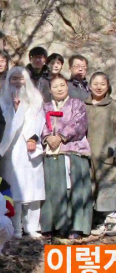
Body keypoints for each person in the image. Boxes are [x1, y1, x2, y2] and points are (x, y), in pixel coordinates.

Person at [41, 74, 93, 239]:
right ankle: (58, 225)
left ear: (67, 86)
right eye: (55, 86)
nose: (59, 89)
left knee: (77, 189)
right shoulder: (45, 107)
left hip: (74, 150)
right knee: (54, 189)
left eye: (62, 85)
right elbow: (40, 124)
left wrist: (61, 136)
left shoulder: (77, 104)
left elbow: (79, 124)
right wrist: (48, 137)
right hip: (52, 152)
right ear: (50, 90)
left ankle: (77, 227)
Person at [0, 67, 46, 239]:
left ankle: (32, 226)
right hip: (10, 149)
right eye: (14, 79)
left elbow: (39, 121)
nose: (17, 82)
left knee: (33, 190)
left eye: (21, 78)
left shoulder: (36, 99)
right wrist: (15, 109)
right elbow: (3, 122)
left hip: (30, 148)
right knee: (14, 190)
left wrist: (33, 138)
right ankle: (16, 227)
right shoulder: (2, 100)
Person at [84, 72, 116, 236]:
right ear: (89, 86)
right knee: (89, 187)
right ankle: (95, 221)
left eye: (102, 84)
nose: (98, 87)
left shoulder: (113, 106)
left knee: (107, 186)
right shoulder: (84, 105)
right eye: (95, 83)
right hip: (87, 154)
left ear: (108, 86)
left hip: (107, 155)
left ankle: (110, 220)